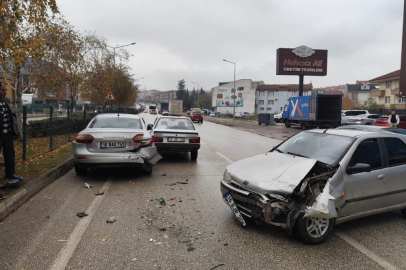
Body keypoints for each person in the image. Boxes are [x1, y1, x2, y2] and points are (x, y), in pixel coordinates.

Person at [0, 82, 22, 181]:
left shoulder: (6, 101)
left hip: (7, 134)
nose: (5, 92)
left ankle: (10, 173)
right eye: (2, 90)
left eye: (5, 90)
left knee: (10, 154)